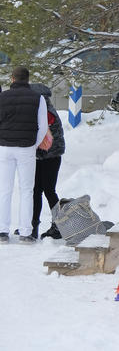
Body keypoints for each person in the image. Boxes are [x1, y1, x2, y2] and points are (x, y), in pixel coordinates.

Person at [0, 67, 48, 243]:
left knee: (4, 189)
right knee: (27, 190)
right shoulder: (38, 98)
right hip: (26, 148)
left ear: (12, 79)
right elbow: (42, 126)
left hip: (4, 147)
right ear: (28, 80)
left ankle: (2, 231)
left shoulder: (2, 97)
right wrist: (33, 144)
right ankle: (26, 232)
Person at [30, 83, 64, 240]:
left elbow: (41, 133)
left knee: (48, 190)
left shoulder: (47, 113)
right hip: (42, 156)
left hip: (50, 156)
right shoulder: (44, 110)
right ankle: (33, 225)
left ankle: (58, 225)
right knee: (36, 190)